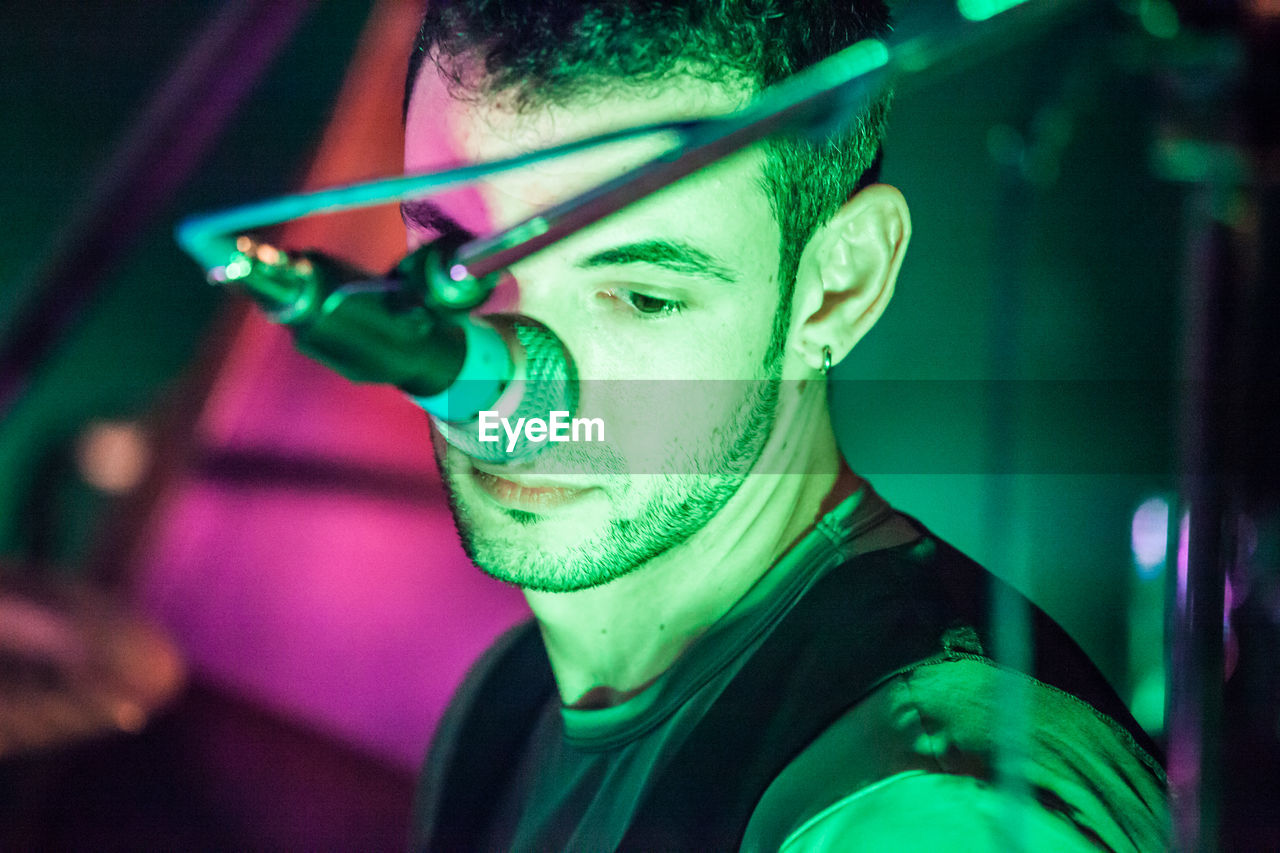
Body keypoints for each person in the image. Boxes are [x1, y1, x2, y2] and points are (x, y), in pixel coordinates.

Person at [401, 1, 1169, 849]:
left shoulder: (921, 807)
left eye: (641, 296)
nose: (506, 390)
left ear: (838, 286)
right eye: (453, 271)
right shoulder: (504, 708)